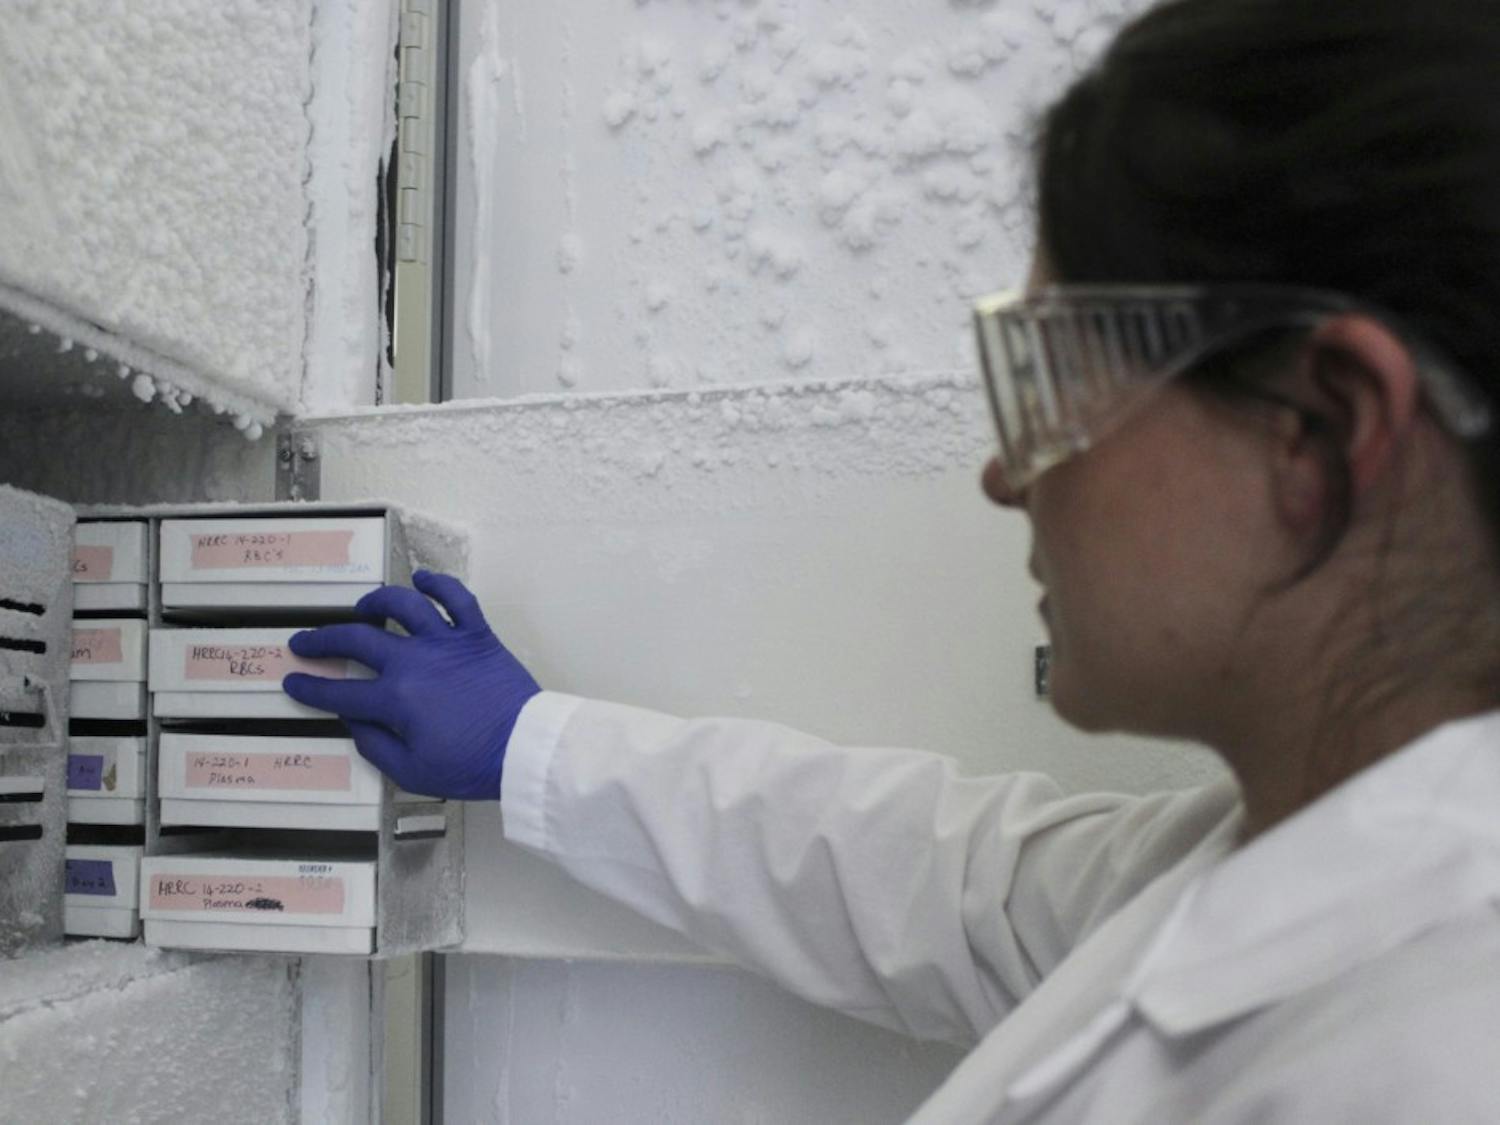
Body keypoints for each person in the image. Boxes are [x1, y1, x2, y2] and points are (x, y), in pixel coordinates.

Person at [284, 0, 1500, 1119]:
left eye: (1054, 384)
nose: (1008, 476)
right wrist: (533, 746)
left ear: (1322, 430)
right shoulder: (1269, 858)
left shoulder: (1423, 1061)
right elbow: (936, 881)